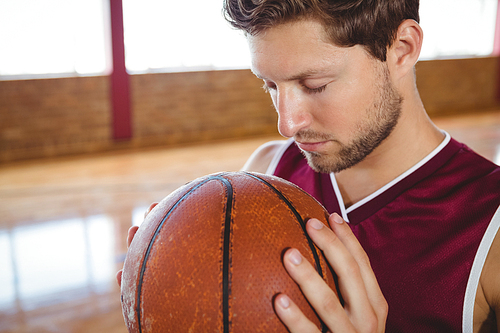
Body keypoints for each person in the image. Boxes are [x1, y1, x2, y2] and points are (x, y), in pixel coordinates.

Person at [117, 0, 500, 332]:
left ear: (401, 48)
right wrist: (162, 302)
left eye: (315, 84)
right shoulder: (268, 167)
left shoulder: (490, 226)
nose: (287, 123)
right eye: (270, 85)